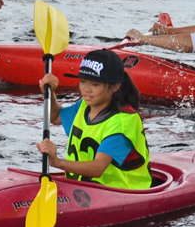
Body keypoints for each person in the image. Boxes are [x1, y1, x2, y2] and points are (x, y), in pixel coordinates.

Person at [36, 49, 152, 190]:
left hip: (125, 191)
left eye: (95, 84)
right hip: (87, 187)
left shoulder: (124, 121)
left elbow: (98, 168)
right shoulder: (84, 105)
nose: (86, 90)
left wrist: (58, 162)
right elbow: (55, 116)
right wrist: (50, 93)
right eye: (83, 82)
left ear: (115, 86)